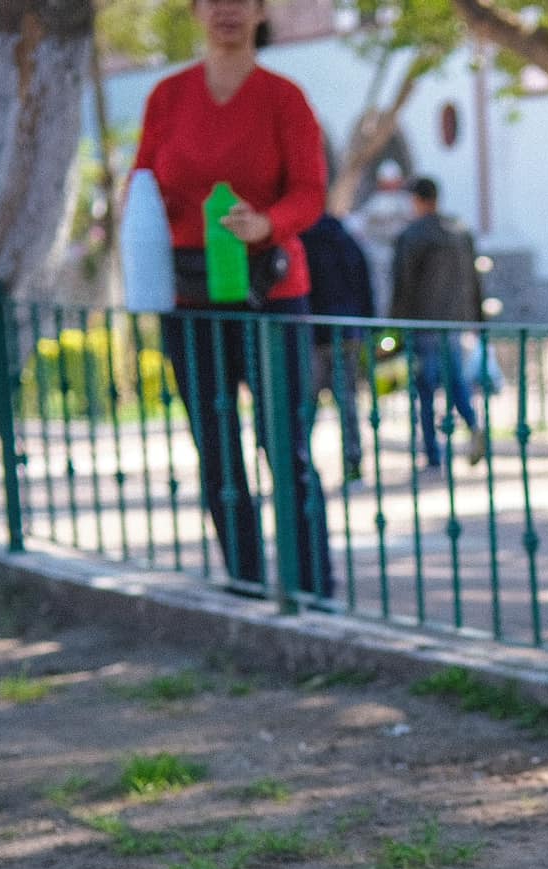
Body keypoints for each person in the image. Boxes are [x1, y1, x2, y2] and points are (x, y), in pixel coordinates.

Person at [132, 0, 333, 599]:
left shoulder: (285, 98)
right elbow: (144, 186)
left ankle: (311, 588)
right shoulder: (167, 98)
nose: (226, 10)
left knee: (285, 444)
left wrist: (266, 222)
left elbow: (311, 193)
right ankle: (245, 584)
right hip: (191, 302)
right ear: (194, 11)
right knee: (217, 449)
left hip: (271, 295)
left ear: (260, 11)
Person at [389, 177, 483, 470]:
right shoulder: (459, 232)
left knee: (425, 389)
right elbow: (474, 278)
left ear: (418, 200)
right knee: (455, 381)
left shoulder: (413, 236)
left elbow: (402, 285)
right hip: (454, 321)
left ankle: (432, 454)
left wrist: (394, 325)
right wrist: (476, 317)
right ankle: (471, 423)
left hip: (423, 322)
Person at [302, 211, 375, 484]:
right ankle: (353, 464)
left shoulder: (305, 241)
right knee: (347, 402)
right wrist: (367, 323)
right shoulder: (347, 240)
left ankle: (299, 461)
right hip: (348, 331)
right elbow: (365, 285)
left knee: (307, 401)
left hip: (314, 333)